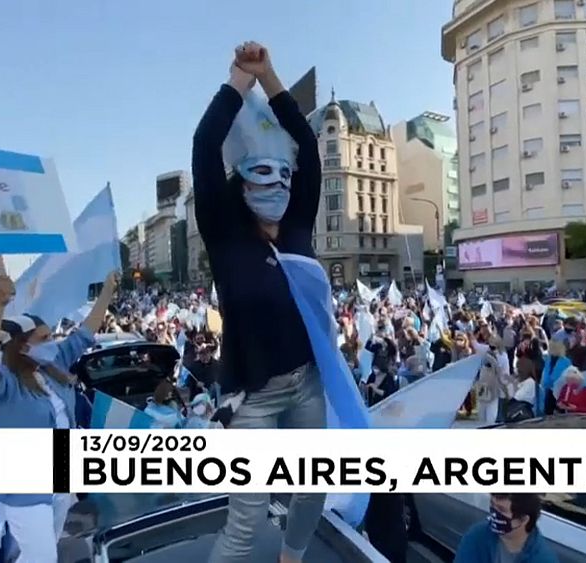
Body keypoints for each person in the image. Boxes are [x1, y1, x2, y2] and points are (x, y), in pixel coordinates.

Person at [193, 42, 336, 563]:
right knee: (247, 516)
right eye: (262, 172)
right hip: (252, 397)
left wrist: (271, 76)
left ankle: (291, 559)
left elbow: (307, 144)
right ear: (241, 180)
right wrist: (238, 82)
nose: (276, 182)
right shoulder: (225, 237)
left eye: (285, 173)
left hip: (306, 385)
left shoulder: (298, 226)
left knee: (314, 487)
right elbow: (205, 144)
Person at [0, 256, 116, 563]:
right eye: (45, 338)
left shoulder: (53, 364)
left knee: (40, 553)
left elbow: (85, 333)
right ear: (22, 347)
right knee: (43, 558)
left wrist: (106, 292)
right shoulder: (4, 385)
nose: (53, 341)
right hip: (24, 488)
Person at [454, 493, 558, 563]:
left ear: (523, 520)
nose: (494, 513)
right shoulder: (477, 536)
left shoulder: (543, 559)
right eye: (492, 505)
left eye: (501, 510)